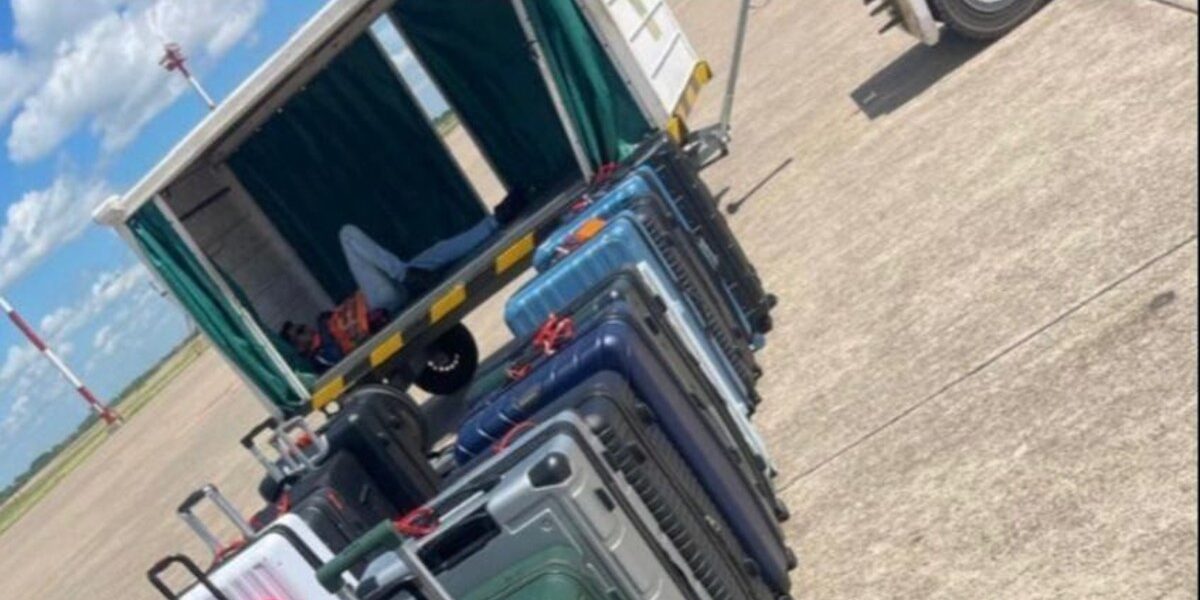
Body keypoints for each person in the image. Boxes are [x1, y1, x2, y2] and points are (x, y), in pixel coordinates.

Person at [282, 214, 503, 372]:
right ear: (300, 348)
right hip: (381, 304)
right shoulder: (322, 355)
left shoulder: (326, 322)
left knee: (435, 253)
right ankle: (404, 274)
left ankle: (494, 221)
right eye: (299, 333)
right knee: (347, 234)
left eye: (300, 326)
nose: (305, 329)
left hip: (385, 293)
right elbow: (339, 361)